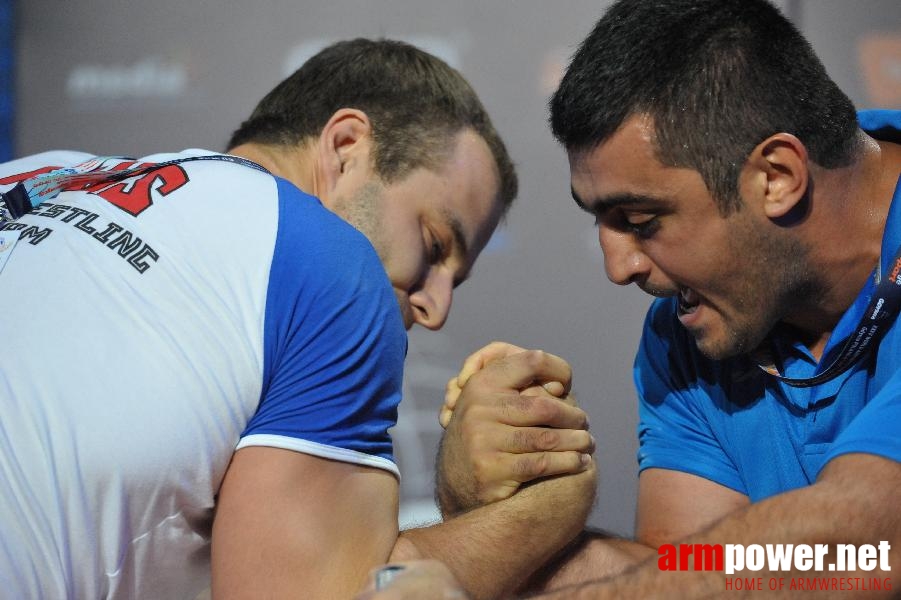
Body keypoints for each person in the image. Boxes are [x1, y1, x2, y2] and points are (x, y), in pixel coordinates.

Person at [0, 38, 596, 599]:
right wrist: (547, 507)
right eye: (435, 244)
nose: (435, 307)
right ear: (346, 150)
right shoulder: (336, 265)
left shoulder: (35, 175)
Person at [397, 0, 901, 597]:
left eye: (640, 219)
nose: (619, 267)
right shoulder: (686, 332)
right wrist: (491, 507)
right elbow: (686, 571)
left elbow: (862, 545)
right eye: (602, 223)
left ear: (777, 178)